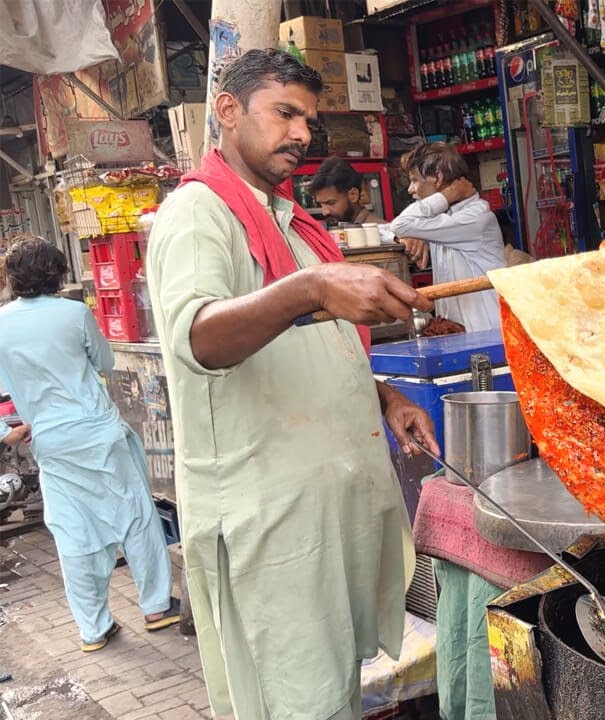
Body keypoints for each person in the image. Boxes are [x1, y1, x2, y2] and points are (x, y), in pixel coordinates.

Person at [146, 49, 439, 720]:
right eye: (284, 114)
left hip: (318, 508)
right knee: (298, 698)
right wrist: (311, 286)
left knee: (329, 687)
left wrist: (384, 398)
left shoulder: (287, 219)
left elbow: (317, 342)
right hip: (269, 520)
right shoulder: (199, 212)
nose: (302, 134)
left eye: (308, 119)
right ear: (227, 110)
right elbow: (198, 337)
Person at [0, 238, 181, 652]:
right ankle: (155, 607)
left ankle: (93, 629)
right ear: (57, 274)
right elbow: (104, 361)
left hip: (49, 440)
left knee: (72, 532)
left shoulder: (0, 322)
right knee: (135, 515)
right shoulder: (74, 313)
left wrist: (5, 431)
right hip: (97, 432)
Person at [389, 142, 505, 332]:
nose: (411, 189)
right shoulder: (442, 217)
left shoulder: (475, 217)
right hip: (457, 330)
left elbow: (400, 224)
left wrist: (445, 196)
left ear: (437, 178)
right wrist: (405, 237)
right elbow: (390, 230)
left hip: (486, 330)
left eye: (415, 180)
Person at [308, 156, 386, 225]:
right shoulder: (337, 229)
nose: (324, 212)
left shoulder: (380, 232)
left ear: (353, 195)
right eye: (320, 205)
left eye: (331, 203)